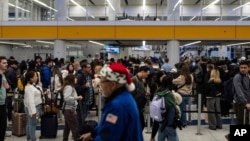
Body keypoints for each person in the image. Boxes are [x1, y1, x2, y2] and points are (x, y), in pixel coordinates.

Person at [80, 63, 143, 141]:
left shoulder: (117, 106)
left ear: (113, 84)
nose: (100, 84)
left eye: (102, 81)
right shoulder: (123, 97)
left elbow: (108, 136)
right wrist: (93, 133)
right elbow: (106, 125)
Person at [157, 74, 179, 141]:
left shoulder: (158, 91)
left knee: (161, 135)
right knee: (173, 136)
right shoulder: (169, 94)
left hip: (160, 117)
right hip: (168, 119)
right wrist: (170, 122)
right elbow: (171, 108)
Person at [23, 71, 43, 141]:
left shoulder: (32, 86)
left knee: (29, 123)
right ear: (31, 78)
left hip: (33, 106)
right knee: (33, 124)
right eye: (35, 76)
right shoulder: (29, 88)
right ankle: (33, 139)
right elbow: (30, 101)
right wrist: (33, 112)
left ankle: (28, 137)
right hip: (34, 107)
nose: (37, 77)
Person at [62, 74, 83, 141]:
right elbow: (67, 98)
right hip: (69, 110)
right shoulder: (69, 87)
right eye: (75, 78)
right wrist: (77, 97)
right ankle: (76, 139)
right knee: (74, 126)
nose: (76, 79)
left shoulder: (70, 87)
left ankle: (65, 139)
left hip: (69, 109)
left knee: (67, 127)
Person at [0, 56, 9, 141]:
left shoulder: (3, 75)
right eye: (4, 63)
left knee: (3, 127)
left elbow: (6, 86)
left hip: (3, 104)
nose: (6, 64)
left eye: (6, 63)